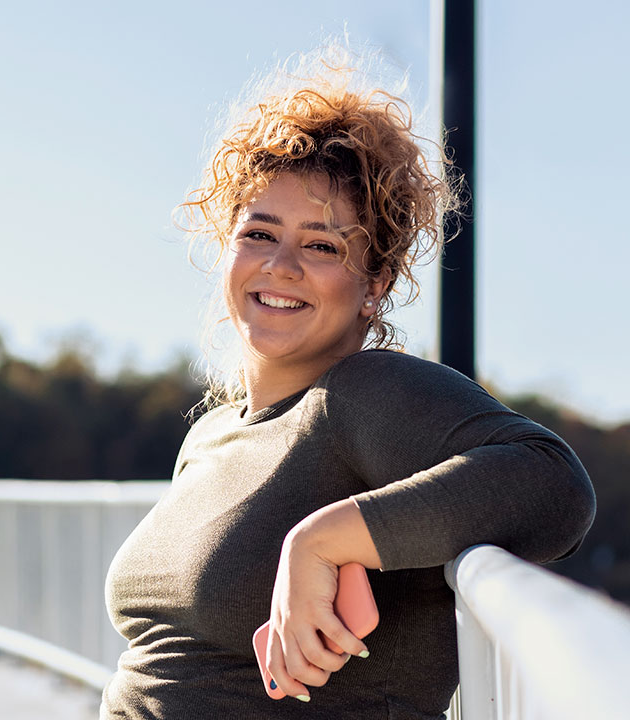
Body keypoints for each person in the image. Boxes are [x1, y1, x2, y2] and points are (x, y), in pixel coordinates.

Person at [100, 49, 596, 720]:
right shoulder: (213, 434)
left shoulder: (362, 393)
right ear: (228, 250)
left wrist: (324, 539)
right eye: (259, 233)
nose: (282, 265)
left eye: (323, 246)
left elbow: (552, 483)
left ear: (374, 286)